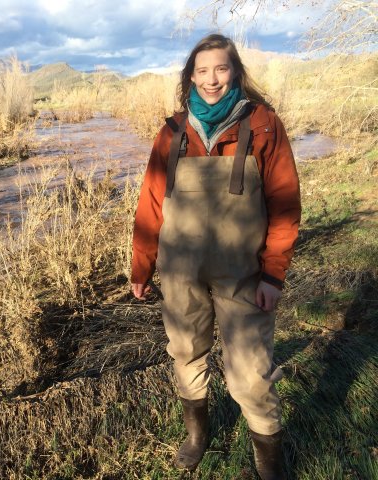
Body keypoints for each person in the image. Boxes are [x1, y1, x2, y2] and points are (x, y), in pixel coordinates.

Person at [131, 33, 301, 480]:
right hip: (180, 272)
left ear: (236, 72)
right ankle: (197, 437)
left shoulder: (263, 125)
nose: (212, 79)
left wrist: (273, 276)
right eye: (202, 70)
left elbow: (285, 206)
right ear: (190, 76)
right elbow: (150, 207)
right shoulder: (170, 133)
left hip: (244, 275)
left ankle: (270, 469)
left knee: (251, 372)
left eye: (221, 69)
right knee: (185, 353)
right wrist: (140, 267)